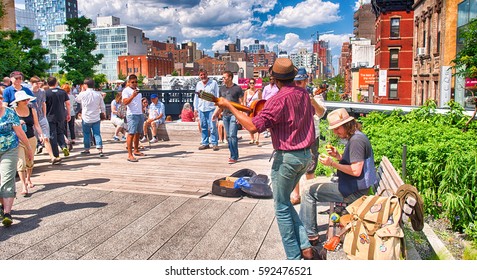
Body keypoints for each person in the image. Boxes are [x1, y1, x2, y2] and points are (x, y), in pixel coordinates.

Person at [215, 58, 320, 260]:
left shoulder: (278, 100)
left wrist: (229, 105)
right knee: (285, 202)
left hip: (288, 159)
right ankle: (306, 247)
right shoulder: (303, 94)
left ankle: (294, 259)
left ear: (275, 79)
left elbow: (253, 126)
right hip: (306, 156)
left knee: (280, 207)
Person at [299, 108, 377, 245]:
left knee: (308, 193)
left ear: (347, 124)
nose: (335, 132)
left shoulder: (356, 141)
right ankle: (306, 229)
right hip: (353, 186)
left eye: (337, 128)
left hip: (354, 193)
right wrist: (338, 156)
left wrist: (332, 164)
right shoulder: (357, 136)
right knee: (307, 185)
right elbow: (356, 164)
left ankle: (310, 236)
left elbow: (356, 171)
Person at [290, 68, 327, 205]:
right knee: (295, 165)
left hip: (311, 135)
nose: (298, 85)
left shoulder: (315, 95)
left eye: (300, 82)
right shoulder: (291, 94)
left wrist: (312, 102)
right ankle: (296, 194)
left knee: (311, 166)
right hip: (296, 135)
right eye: (296, 82)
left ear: (306, 81)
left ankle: (310, 195)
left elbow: (321, 113)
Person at [0, 88, 34, 227]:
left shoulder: (9, 113)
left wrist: (29, 149)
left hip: (9, 149)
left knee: (7, 179)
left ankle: (7, 213)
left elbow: (20, 133)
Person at [11, 91, 44, 196]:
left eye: (27, 99)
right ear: (18, 102)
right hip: (18, 140)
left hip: (31, 138)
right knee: (21, 163)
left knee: (30, 161)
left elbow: (36, 124)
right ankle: (24, 186)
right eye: (24, 100)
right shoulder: (12, 111)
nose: (27, 101)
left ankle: (28, 179)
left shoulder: (31, 109)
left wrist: (41, 135)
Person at [212, 71, 243, 164]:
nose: (223, 79)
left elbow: (241, 104)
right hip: (225, 115)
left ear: (230, 78)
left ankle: (234, 156)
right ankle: (233, 154)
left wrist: (239, 116)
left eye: (224, 78)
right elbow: (220, 104)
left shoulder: (237, 88)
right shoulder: (221, 89)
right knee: (229, 136)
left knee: (233, 135)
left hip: (234, 114)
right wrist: (216, 113)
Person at [75, 78, 106, 157]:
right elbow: (102, 106)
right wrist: (103, 113)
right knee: (97, 134)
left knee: (86, 134)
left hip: (86, 117)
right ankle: (100, 149)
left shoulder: (83, 94)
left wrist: (82, 91)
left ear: (85, 85)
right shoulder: (98, 94)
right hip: (96, 116)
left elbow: (77, 100)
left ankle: (87, 149)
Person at [45, 76, 71, 163]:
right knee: (60, 132)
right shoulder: (62, 92)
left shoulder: (46, 93)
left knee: (53, 135)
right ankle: (63, 146)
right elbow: (68, 104)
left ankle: (56, 154)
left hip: (50, 116)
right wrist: (68, 113)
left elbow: (43, 105)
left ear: (48, 83)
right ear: (56, 83)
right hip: (61, 115)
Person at [193, 69, 220, 151]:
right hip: (201, 108)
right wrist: (195, 108)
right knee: (203, 126)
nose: (203, 76)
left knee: (212, 127)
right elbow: (196, 97)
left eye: (204, 74)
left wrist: (217, 108)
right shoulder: (198, 84)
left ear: (207, 74)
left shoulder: (213, 83)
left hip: (211, 108)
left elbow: (217, 95)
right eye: (201, 75)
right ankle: (205, 143)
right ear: (199, 76)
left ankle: (214, 143)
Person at [30, 76, 54, 161]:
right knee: (33, 138)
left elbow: (44, 103)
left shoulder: (42, 91)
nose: (38, 85)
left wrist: (44, 115)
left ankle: (52, 157)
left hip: (41, 117)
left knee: (46, 136)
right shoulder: (28, 92)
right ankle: (31, 158)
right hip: (32, 118)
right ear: (32, 83)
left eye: (39, 83)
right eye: (36, 83)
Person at [122, 74, 144, 162]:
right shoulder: (126, 91)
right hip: (132, 114)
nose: (134, 84)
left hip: (139, 113)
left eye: (136, 82)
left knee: (138, 133)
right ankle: (129, 154)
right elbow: (125, 102)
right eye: (132, 82)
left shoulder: (138, 90)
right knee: (131, 133)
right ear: (128, 83)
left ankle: (136, 149)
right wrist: (132, 96)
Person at [242, 78, 262, 145]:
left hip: (256, 109)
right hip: (249, 109)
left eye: (253, 83)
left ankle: (257, 138)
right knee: (250, 123)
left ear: (255, 83)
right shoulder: (246, 91)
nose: (252, 84)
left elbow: (260, 100)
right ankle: (252, 138)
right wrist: (244, 109)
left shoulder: (258, 91)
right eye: (250, 83)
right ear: (249, 84)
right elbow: (244, 101)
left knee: (258, 123)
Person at [62, 83, 77, 150]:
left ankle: (66, 139)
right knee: (71, 126)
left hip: (63, 113)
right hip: (72, 113)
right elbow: (75, 104)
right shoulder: (72, 96)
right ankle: (73, 138)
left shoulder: (61, 97)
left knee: (64, 127)